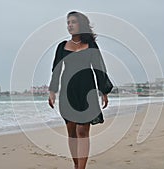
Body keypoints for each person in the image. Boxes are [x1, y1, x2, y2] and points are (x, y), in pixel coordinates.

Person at [48, 11, 113, 169]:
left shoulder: (91, 45)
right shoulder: (62, 46)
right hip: (68, 91)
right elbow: (56, 70)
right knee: (71, 132)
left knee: (82, 131)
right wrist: (52, 91)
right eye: (68, 22)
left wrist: (104, 91)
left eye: (73, 22)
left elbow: (99, 67)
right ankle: (77, 165)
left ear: (81, 24)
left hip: (87, 90)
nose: (69, 25)